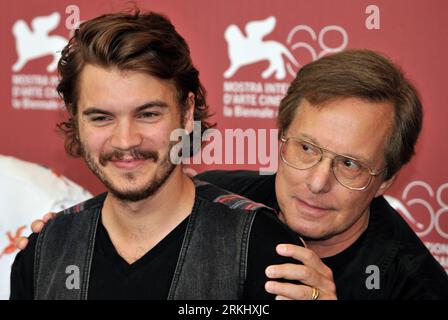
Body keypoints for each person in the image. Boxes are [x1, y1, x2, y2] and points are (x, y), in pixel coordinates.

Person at [9, 10, 304, 300]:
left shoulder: (263, 248)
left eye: (148, 114)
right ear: (76, 120)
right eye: (101, 118)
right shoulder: (46, 249)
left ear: (187, 112)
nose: (125, 141)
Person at [198, 50, 448, 299]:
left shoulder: (418, 289)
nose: (317, 183)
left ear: (385, 181)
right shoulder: (209, 203)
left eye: (350, 164)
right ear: (282, 140)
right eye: (306, 148)